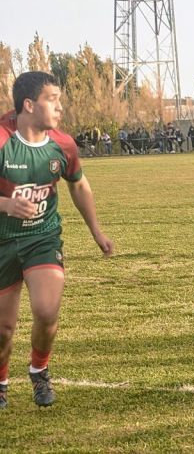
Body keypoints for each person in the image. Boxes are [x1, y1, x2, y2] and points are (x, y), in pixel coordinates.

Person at [0, 72, 114, 409]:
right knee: (3, 331)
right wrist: (6, 204)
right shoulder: (2, 139)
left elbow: (78, 184)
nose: (60, 107)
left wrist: (96, 231)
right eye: (53, 99)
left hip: (42, 237)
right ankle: (1, 381)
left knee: (47, 311)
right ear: (29, 104)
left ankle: (39, 370)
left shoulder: (62, 144)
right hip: (2, 242)